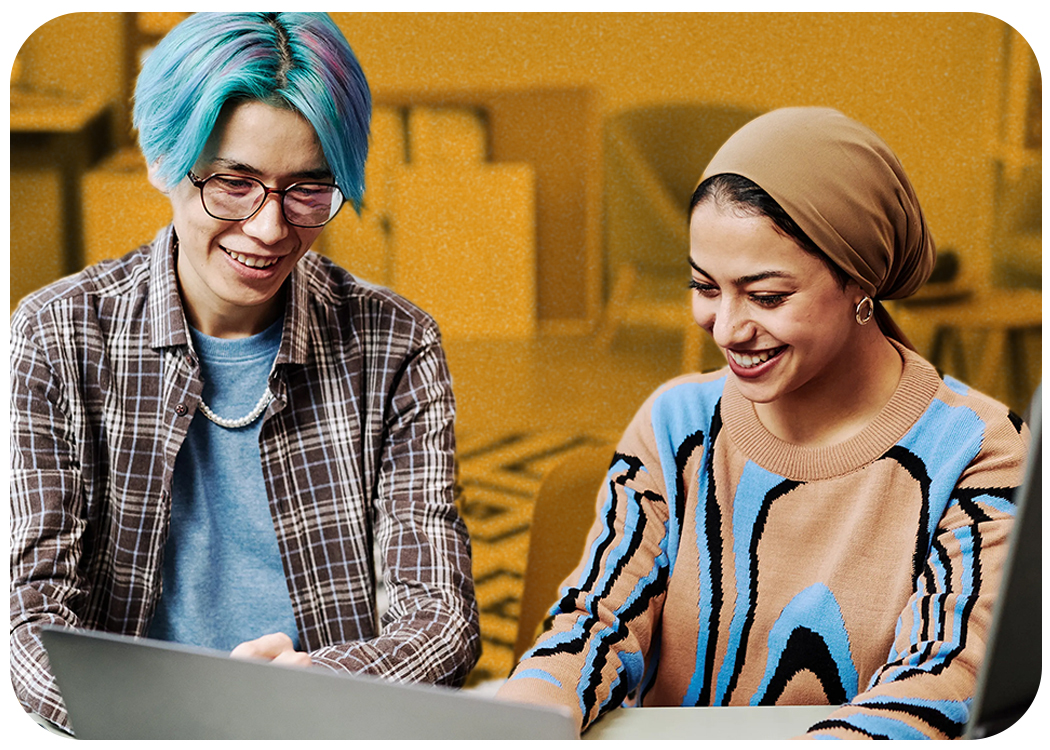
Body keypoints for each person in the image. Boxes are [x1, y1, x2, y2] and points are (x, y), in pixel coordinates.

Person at [10, 12, 479, 733]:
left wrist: (310, 685)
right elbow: (29, 620)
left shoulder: (397, 344)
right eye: (234, 183)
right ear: (164, 160)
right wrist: (178, 715)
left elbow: (442, 621)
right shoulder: (55, 336)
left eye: (307, 189)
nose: (268, 228)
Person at [497, 107, 1028, 739]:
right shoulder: (679, 422)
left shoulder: (980, 450)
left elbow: (939, 682)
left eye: (767, 297)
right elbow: (594, 619)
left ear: (861, 281)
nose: (726, 329)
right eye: (705, 287)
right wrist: (528, 708)